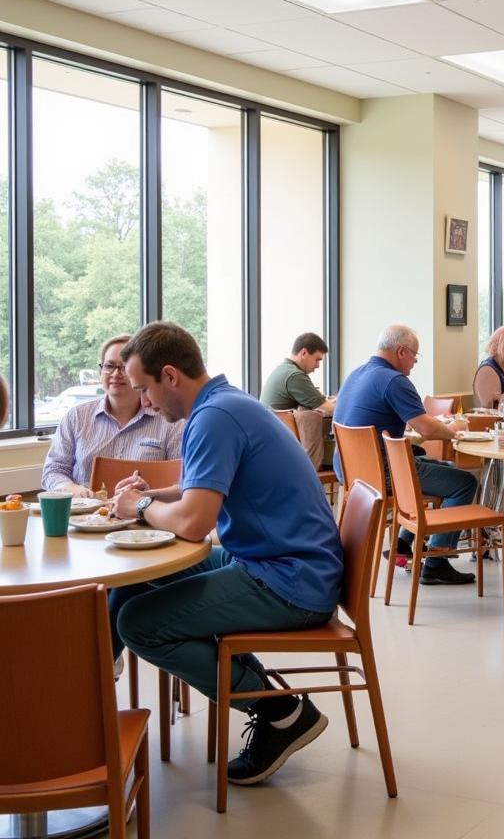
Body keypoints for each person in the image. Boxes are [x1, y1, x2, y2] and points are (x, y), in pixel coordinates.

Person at [108, 322, 343, 787]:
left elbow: (195, 523)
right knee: (133, 579)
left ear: (170, 376)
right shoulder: (225, 404)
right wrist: (152, 495)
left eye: (145, 389)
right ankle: (92, 696)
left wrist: (141, 506)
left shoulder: (214, 418)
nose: (146, 402)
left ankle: (278, 709)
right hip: (280, 564)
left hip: (289, 582)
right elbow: (199, 487)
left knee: (138, 623)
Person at [333, 324, 478, 586]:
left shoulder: (355, 374)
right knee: (464, 482)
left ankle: (403, 540)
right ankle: (436, 562)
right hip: (382, 472)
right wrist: (453, 430)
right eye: (414, 356)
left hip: (350, 470)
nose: (414, 363)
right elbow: (425, 428)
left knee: (433, 463)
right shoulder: (394, 380)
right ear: (401, 351)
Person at [41, 333, 183, 495]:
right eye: (109, 366)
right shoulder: (76, 417)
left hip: (145, 514)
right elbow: (53, 470)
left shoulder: (171, 422)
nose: (116, 374)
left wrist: (148, 492)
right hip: (84, 516)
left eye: (124, 367)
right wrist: (71, 488)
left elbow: (181, 482)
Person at [260, 332, 335, 468]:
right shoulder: (295, 376)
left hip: (271, 443)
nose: (318, 366)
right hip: (285, 446)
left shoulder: (283, 370)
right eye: (317, 359)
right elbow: (327, 408)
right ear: (304, 353)